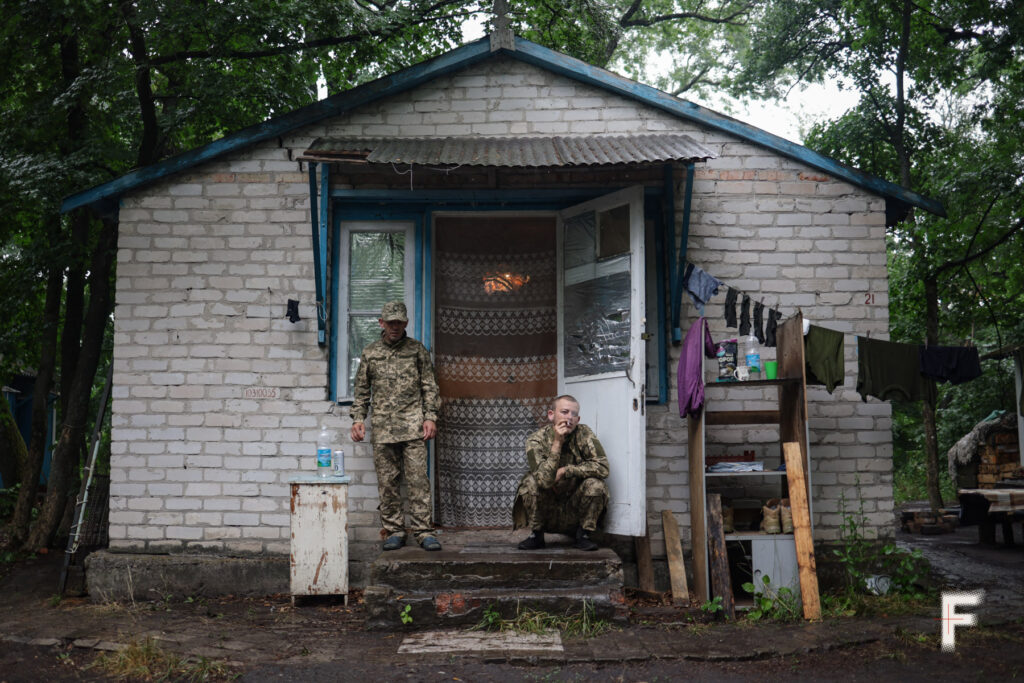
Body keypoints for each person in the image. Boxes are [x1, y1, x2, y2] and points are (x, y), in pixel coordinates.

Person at [350, 301, 442, 552]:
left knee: (418, 482)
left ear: (405, 323)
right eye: (390, 322)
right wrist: (359, 418)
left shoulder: (417, 351)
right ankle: (394, 531)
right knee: (388, 483)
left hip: (413, 427)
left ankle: (424, 531)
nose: (394, 327)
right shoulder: (371, 353)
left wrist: (430, 416)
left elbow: (429, 386)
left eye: (399, 322)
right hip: (383, 429)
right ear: (381, 322)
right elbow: (361, 391)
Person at [512, 395, 609, 551]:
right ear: (551, 415)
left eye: (574, 414)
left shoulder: (584, 433)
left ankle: (583, 535)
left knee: (596, 485)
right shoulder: (535, 440)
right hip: (547, 508)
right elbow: (544, 481)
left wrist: (566, 470)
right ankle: (536, 535)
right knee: (529, 481)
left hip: (574, 506)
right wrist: (557, 442)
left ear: (578, 419)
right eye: (564, 412)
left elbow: (603, 467)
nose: (569, 418)